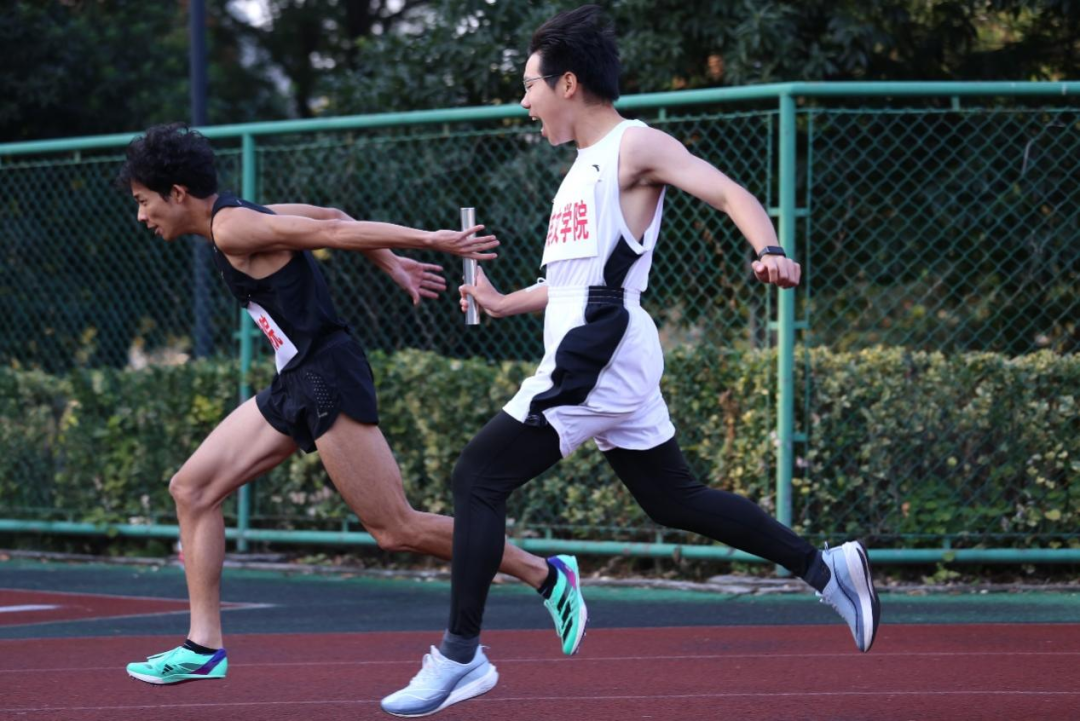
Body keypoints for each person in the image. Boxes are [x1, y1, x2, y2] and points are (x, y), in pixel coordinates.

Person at [380, 5, 881, 717]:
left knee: (477, 476)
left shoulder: (633, 144)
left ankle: (460, 657)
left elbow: (726, 190)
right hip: (606, 345)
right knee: (672, 499)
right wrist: (502, 302)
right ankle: (824, 567)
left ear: (569, 83)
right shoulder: (579, 172)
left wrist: (769, 248)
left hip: (597, 353)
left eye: (529, 86)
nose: (524, 102)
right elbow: (576, 282)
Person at [116, 123, 587, 685]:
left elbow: (335, 233)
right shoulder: (241, 217)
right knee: (192, 490)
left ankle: (545, 574)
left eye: (143, 201)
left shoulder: (233, 226)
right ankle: (203, 647)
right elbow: (333, 216)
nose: (141, 216)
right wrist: (394, 264)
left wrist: (432, 242)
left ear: (176, 193)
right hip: (296, 380)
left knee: (394, 527)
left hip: (325, 378)